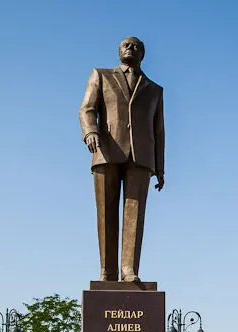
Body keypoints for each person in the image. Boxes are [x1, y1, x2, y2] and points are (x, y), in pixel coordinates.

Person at [79, 36, 165, 282]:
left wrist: (160, 167)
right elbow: (87, 109)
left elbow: (159, 130)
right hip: (107, 149)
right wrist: (90, 132)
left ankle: (129, 270)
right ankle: (108, 271)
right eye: (126, 44)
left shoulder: (154, 89)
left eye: (137, 46)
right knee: (106, 213)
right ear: (118, 51)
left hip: (141, 156)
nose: (131, 48)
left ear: (143, 54)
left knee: (135, 215)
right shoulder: (102, 75)